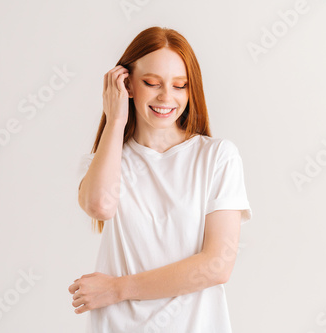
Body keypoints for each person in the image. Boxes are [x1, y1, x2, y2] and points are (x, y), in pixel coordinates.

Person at [68, 26, 253, 333]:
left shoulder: (218, 157)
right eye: (152, 83)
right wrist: (115, 119)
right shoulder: (107, 160)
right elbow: (100, 206)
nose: (166, 97)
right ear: (126, 84)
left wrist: (117, 289)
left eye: (180, 85)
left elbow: (217, 265)